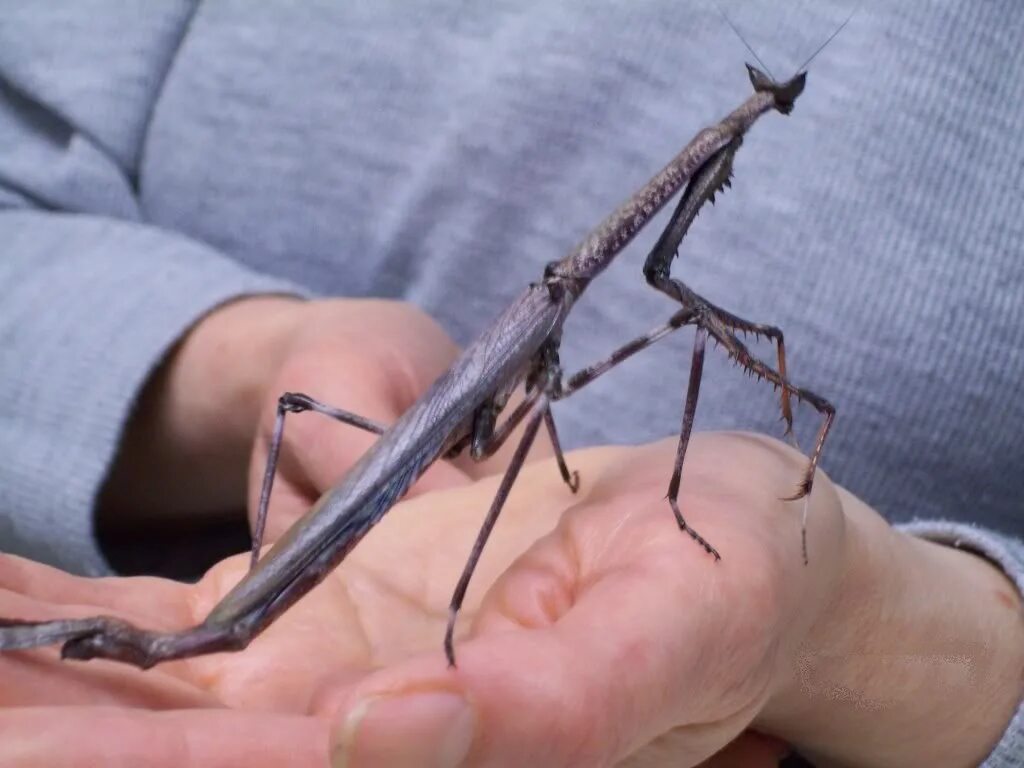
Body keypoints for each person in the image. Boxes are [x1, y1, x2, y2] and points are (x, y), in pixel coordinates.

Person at [0, 2, 1021, 766]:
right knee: (678, 324)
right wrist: (257, 354)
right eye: (761, 108)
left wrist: (902, 636)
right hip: (239, 577)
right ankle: (405, 609)